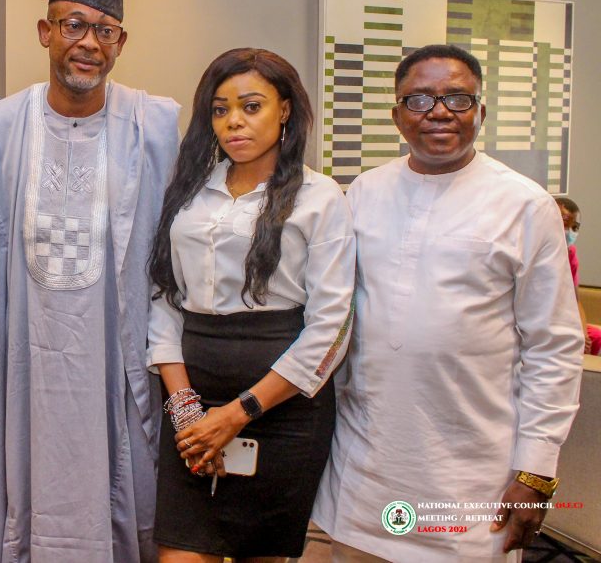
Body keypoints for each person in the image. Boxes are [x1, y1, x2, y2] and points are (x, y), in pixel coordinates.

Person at [0, 0, 180, 562]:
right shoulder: (3, 125)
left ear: (120, 42)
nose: (88, 43)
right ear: (46, 32)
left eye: (104, 30)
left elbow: (173, 257)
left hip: (116, 365)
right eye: (73, 25)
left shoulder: (157, 124)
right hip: (25, 359)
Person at [312, 44, 584, 562]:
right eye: (418, 100)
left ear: (480, 111)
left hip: (473, 478)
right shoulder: (363, 193)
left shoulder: (526, 206)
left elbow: (554, 347)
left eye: (457, 98)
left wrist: (537, 471)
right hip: (364, 473)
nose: (438, 111)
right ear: (397, 115)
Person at [146, 48, 355, 562]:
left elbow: (331, 325)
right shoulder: (189, 194)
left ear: (285, 110)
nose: (234, 121)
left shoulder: (320, 197)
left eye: (251, 105)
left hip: (281, 407)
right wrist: (185, 409)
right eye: (220, 109)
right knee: (180, 552)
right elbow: (166, 300)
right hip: (192, 409)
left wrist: (240, 412)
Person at [556, 197, 601, 355]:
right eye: (565, 226)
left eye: (575, 228)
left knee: (596, 337)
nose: (570, 232)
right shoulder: (530, 252)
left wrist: (583, 334)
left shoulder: (570, 255)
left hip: (564, 319)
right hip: (540, 323)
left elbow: (576, 301)